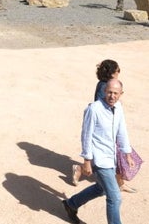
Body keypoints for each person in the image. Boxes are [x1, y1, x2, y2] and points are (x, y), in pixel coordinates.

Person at [62, 79, 134, 224]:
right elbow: (86, 136)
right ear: (104, 91)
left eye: (115, 93)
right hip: (99, 158)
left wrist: (127, 153)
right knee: (115, 197)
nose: (112, 96)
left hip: (111, 156)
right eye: (109, 92)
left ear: (121, 94)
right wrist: (87, 161)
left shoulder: (118, 107)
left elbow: (122, 131)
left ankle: (71, 204)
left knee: (101, 189)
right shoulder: (94, 109)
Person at [72, 59, 136, 193]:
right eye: (118, 70)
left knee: (107, 162)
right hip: (106, 129)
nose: (119, 73)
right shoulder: (105, 86)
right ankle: (118, 183)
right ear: (113, 72)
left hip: (108, 127)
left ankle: (118, 182)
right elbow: (105, 106)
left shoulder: (103, 84)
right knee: (114, 159)